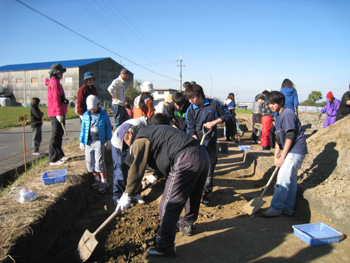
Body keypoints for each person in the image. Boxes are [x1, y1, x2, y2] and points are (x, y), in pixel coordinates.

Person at [115, 123, 209, 257]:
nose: (128, 147)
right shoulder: (151, 131)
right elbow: (165, 152)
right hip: (201, 154)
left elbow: (136, 170)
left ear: (129, 134)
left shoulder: (140, 139)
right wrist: (156, 175)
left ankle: (165, 246)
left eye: (126, 143)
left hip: (184, 159)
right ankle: (186, 224)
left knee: (169, 203)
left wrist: (127, 194)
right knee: (193, 194)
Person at [262, 91, 307, 217]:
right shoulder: (278, 115)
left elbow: (290, 136)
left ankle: (276, 208)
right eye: (269, 103)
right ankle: (288, 209)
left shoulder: (288, 114)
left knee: (282, 178)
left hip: (296, 150)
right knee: (291, 180)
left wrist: (282, 156)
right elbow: (278, 138)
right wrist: (276, 155)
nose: (271, 106)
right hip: (291, 150)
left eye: (274, 103)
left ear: (281, 102)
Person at [185, 84, 229, 205]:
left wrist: (214, 122)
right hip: (196, 145)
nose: (190, 101)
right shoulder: (191, 109)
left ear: (199, 95)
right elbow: (190, 126)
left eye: (192, 98)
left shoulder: (214, 104)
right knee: (194, 170)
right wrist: (194, 137)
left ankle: (205, 194)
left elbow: (226, 115)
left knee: (209, 171)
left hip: (210, 145)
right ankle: (193, 193)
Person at [111, 117, 148, 206]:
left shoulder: (146, 126)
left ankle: (135, 193)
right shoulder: (133, 126)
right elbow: (124, 138)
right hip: (119, 144)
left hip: (132, 143)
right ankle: (118, 197)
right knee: (120, 170)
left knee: (136, 167)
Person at [79, 95, 112, 194]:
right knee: (90, 162)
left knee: (99, 162)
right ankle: (97, 179)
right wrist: (81, 141)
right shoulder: (86, 115)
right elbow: (83, 129)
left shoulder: (103, 114)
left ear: (98, 104)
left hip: (99, 142)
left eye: (94, 108)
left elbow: (108, 127)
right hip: (88, 142)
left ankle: (104, 182)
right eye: (90, 108)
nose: (92, 110)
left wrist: (109, 140)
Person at [45, 63, 68, 165]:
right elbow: (55, 99)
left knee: (60, 134)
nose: (62, 74)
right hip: (56, 112)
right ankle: (53, 158)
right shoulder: (54, 82)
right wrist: (58, 113)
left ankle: (59, 154)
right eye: (61, 72)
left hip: (59, 111)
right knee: (56, 134)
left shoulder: (56, 82)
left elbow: (60, 98)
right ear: (57, 73)